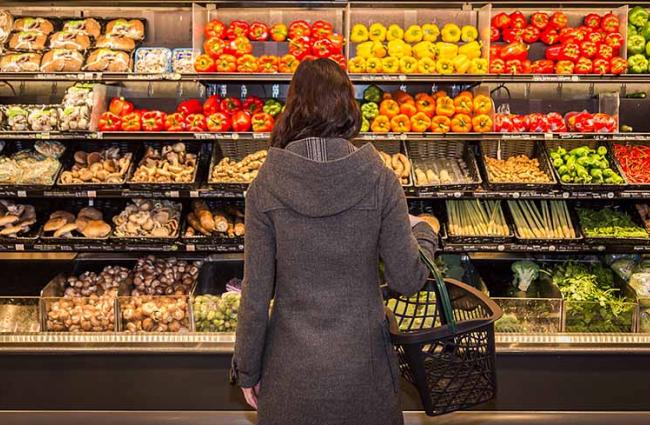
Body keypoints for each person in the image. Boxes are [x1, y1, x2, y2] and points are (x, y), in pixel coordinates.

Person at [231, 58, 438, 425]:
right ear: (348, 105)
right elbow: (407, 279)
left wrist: (247, 370)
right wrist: (424, 232)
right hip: (365, 377)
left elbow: (255, 293)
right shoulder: (380, 179)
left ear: (292, 107)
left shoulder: (264, 185)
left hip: (290, 378)